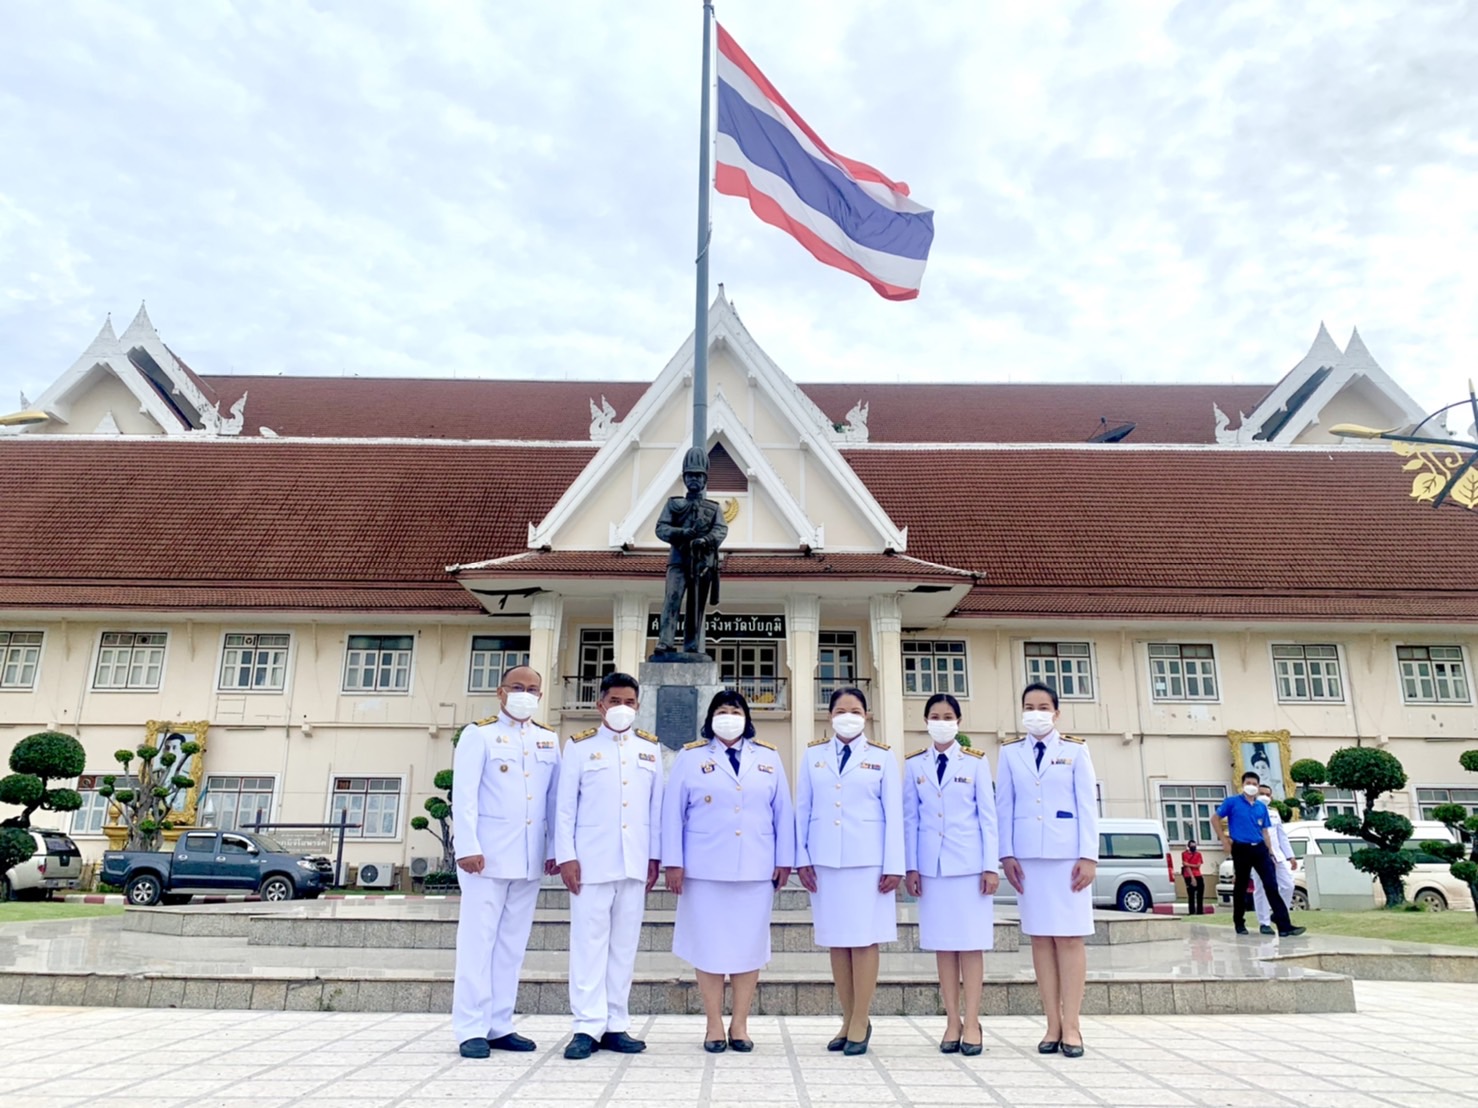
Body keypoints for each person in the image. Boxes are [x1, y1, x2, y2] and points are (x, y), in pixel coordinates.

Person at [662, 690, 794, 1053]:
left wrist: (785, 860)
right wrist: (673, 862)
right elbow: (672, 814)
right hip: (704, 871)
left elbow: (783, 812)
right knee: (708, 949)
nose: (729, 716)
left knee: (748, 950)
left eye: (735, 710)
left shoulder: (767, 757)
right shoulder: (690, 758)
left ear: (746, 717)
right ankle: (713, 1025)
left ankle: (740, 1024)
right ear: (710, 718)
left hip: (755, 869)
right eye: (722, 710)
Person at [451, 665, 561, 1058]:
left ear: (541, 696)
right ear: (501, 692)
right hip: (486, 857)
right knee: (477, 943)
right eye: (518, 687)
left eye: (532, 689)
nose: (525, 694)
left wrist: (553, 852)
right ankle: (469, 1028)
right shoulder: (478, 735)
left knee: (512, 946)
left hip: (529, 859)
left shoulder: (549, 740)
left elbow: (552, 802)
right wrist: (466, 846)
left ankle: (500, 1023)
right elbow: (463, 796)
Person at [555, 672, 664, 1060]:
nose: (622, 708)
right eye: (614, 701)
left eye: (629, 702)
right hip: (590, 862)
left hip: (634, 862)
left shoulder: (650, 750)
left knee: (623, 947)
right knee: (588, 945)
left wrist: (655, 857)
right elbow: (564, 808)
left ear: (638, 706)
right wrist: (566, 855)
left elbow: (657, 810)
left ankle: (616, 1023)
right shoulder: (580, 747)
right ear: (600, 704)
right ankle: (586, 1025)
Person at [795, 686, 904, 1057]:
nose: (848, 715)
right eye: (841, 709)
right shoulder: (813, 756)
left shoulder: (882, 757)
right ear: (829, 716)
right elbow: (803, 811)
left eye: (855, 709)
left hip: (868, 863)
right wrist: (802, 857)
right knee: (838, 941)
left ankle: (861, 1018)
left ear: (866, 715)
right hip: (826, 862)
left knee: (864, 939)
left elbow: (894, 815)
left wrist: (895, 865)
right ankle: (847, 1018)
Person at [997, 682, 1097, 1059]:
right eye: (1028, 706)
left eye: (1042, 706)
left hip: (1068, 859)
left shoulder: (1075, 750)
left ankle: (1071, 1024)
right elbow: (1004, 806)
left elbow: (1088, 805)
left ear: (1056, 713)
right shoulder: (1009, 754)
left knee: (1069, 939)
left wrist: (1089, 856)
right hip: (1028, 861)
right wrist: (1006, 854)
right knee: (1040, 939)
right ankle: (1051, 1023)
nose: (1035, 713)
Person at [902, 693, 999, 1056]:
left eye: (947, 716)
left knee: (971, 945)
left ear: (958, 721)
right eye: (934, 716)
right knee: (943, 946)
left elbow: (988, 818)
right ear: (925, 721)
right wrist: (911, 865)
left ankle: (972, 1021)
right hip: (932, 869)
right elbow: (910, 819)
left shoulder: (975, 761)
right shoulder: (914, 765)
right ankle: (952, 1020)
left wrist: (991, 866)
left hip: (970, 867)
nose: (941, 721)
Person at [1211, 772, 1305, 939]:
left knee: (1271, 885)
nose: (1252, 786)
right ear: (1242, 784)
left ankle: (1284, 925)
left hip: (1260, 848)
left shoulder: (1261, 807)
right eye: (1249, 782)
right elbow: (1215, 818)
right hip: (1241, 848)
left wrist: (1270, 852)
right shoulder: (1232, 802)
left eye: (1255, 783)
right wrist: (1224, 840)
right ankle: (1239, 922)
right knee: (1241, 886)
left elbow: (1265, 832)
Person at [654, 447, 728, 655]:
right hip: (678, 560)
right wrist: (684, 533)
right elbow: (661, 529)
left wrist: (705, 539)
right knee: (672, 599)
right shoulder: (674, 504)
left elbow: (721, 529)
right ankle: (665, 641)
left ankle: (691, 643)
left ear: (705, 479)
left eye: (698, 476)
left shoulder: (713, 509)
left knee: (696, 606)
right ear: (684, 477)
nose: (694, 479)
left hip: (702, 564)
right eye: (690, 475)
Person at [1252, 783, 1297, 935]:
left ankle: (1278, 914)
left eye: (1268, 794)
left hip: (1277, 855)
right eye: (1261, 793)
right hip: (1259, 856)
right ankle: (1264, 922)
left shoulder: (1274, 813)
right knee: (1261, 890)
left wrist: (1290, 856)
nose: (1265, 796)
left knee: (1288, 885)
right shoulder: (1250, 812)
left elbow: (1281, 836)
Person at [1181, 840, 1206, 917]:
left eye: (1194, 846)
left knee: (1200, 893)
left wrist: (1188, 864)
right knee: (1191, 894)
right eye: (1192, 846)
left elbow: (1198, 865)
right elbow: (1187, 867)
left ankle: (1200, 911)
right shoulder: (1184, 854)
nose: (1193, 847)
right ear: (1188, 846)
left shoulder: (1198, 854)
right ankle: (1191, 912)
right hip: (1188, 876)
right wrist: (1192, 878)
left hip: (1198, 875)